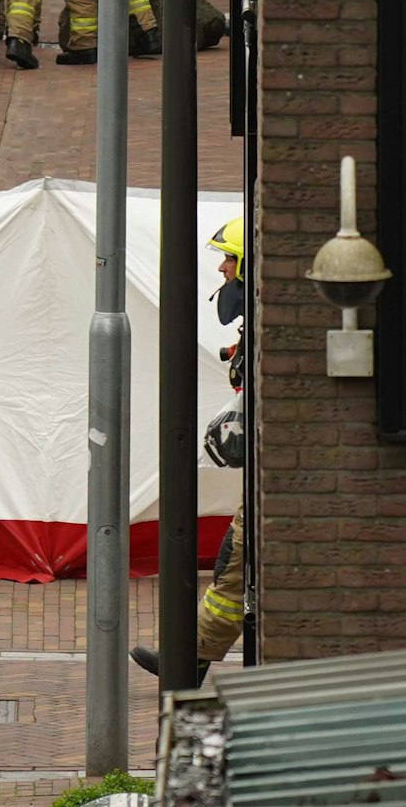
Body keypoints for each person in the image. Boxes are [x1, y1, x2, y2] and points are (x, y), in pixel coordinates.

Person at [133, 217, 248, 687]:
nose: (222, 267)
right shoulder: (264, 318)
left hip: (281, 486)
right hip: (272, 481)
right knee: (234, 570)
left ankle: (186, 666)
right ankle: (189, 662)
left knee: (234, 566)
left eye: (231, 259)